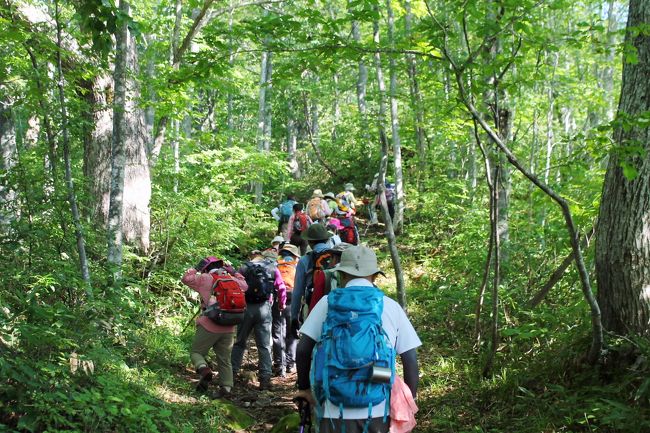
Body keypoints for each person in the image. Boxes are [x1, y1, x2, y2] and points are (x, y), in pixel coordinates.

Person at [294, 245, 421, 433]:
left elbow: (303, 349)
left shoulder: (326, 304)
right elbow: (410, 360)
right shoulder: (390, 306)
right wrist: (409, 399)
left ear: (343, 275)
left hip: (333, 409)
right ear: (375, 276)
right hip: (378, 409)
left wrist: (305, 389)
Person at [181, 256, 248, 398]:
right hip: (229, 325)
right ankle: (227, 389)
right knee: (225, 359)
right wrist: (234, 272)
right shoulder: (233, 280)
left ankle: (203, 369)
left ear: (206, 267)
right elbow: (245, 286)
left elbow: (186, 278)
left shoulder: (204, 278)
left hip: (209, 324)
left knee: (196, 353)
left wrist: (196, 268)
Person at [231, 250, 287, 391]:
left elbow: (235, 287)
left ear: (252, 258)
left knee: (240, 342)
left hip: (246, 308)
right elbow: (281, 288)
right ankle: (265, 379)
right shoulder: (272, 268)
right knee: (264, 345)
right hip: (264, 308)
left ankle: (231, 374)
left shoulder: (244, 268)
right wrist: (281, 304)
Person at [289, 224, 332, 334]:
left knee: (311, 341)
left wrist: (294, 317)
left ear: (310, 242)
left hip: (313, 305)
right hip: (334, 305)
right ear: (327, 239)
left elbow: (297, 292)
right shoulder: (336, 257)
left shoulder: (305, 260)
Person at [272, 243, 301, 377]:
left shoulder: (276, 265)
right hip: (293, 301)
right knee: (292, 332)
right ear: (295, 255)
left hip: (278, 301)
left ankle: (279, 365)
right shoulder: (297, 266)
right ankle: (291, 364)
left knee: (278, 333)